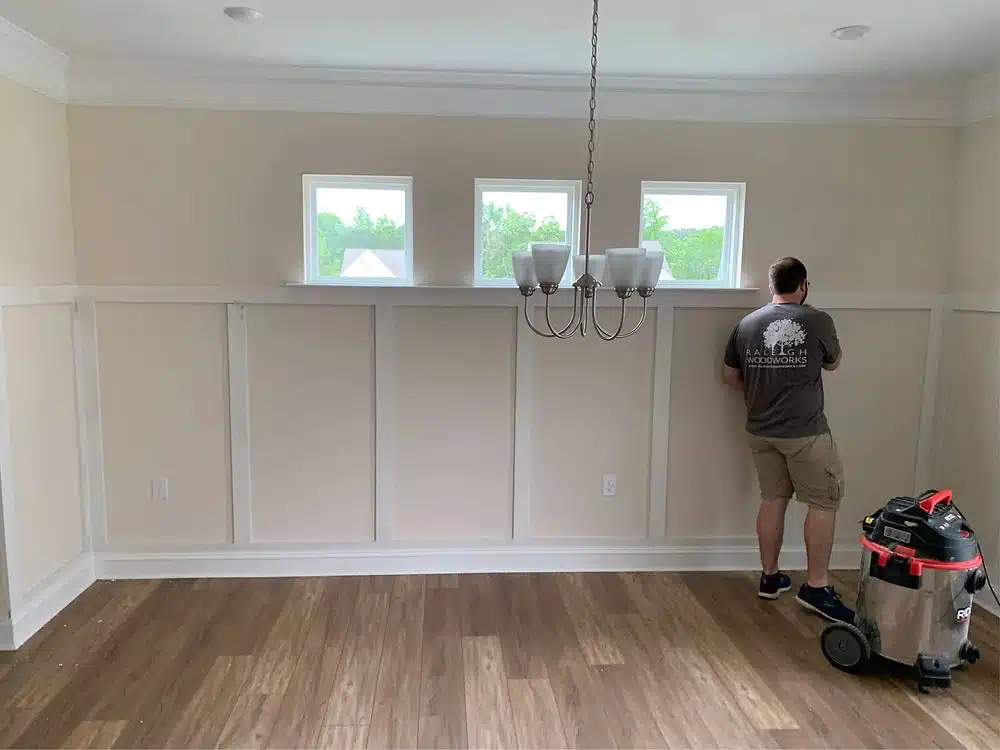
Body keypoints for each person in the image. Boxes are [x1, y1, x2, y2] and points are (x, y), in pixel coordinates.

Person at [721, 257, 854, 623]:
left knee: (773, 499)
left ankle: (770, 577)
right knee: (824, 502)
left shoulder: (747, 324)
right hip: (805, 433)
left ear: (771, 286)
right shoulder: (816, 320)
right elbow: (833, 362)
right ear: (804, 285)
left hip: (760, 431)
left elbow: (730, 378)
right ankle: (816, 586)